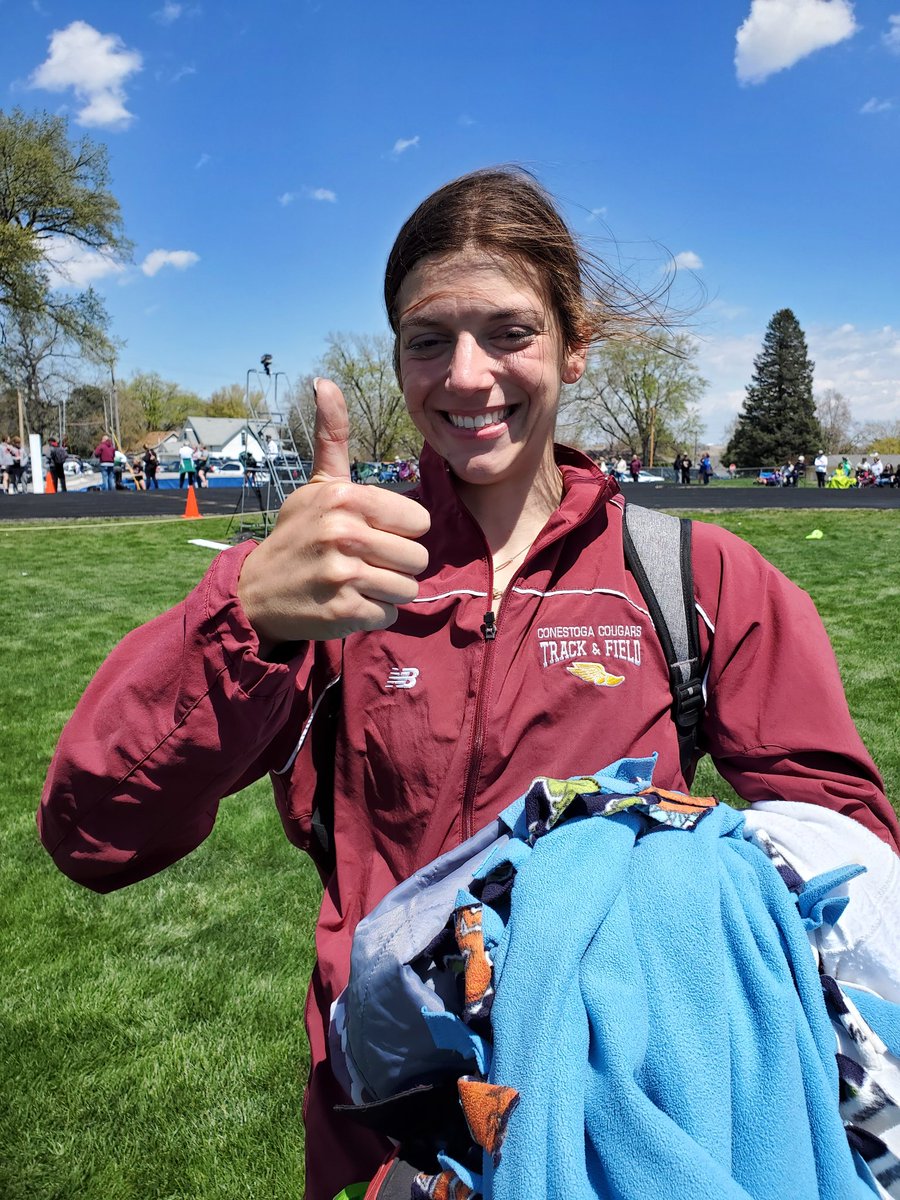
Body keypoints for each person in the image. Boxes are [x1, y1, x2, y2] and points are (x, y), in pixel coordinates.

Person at [38, 168, 900, 1200]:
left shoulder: (694, 580)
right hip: (383, 1145)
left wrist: (654, 892)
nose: (467, 376)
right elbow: (94, 836)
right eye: (427, 340)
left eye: (509, 332)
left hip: (618, 1143)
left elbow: (850, 859)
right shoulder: (334, 581)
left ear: (575, 343)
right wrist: (241, 615)